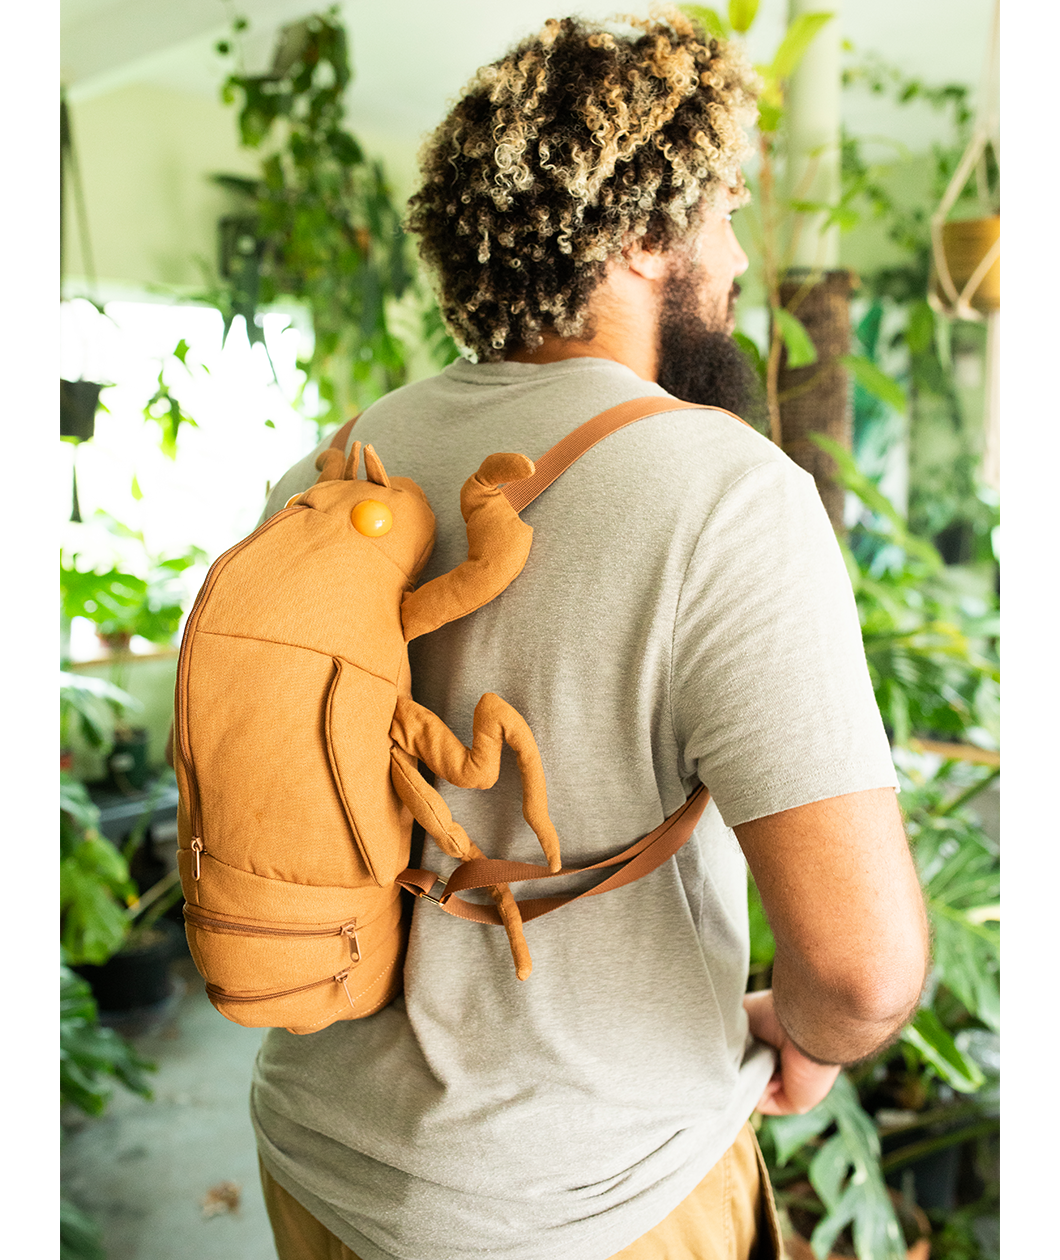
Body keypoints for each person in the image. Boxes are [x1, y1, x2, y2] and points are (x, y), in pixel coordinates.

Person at [234, 10, 928, 1259]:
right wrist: (812, 1041)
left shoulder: (328, 467)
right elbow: (864, 971)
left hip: (320, 1166)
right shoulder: (723, 489)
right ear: (639, 236)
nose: (730, 253)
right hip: (596, 1203)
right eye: (718, 213)